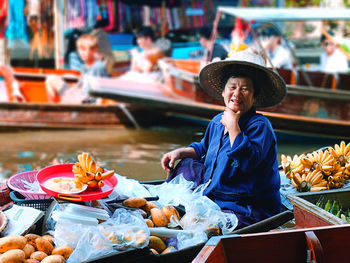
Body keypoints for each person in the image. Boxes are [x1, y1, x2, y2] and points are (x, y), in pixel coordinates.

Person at [161, 50, 286, 229]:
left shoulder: (260, 125)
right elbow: (202, 148)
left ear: (254, 97)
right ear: (223, 92)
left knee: (215, 225)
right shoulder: (217, 121)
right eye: (232, 87)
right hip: (216, 189)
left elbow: (248, 162)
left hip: (245, 204)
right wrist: (178, 152)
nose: (237, 93)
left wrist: (233, 125)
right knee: (186, 163)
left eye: (245, 89)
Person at [46, 34, 109, 104]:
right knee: (51, 79)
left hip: (85, 102)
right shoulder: (85, 67)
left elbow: (102, 92)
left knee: (68, 99)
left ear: (94, 50)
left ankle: (55, 110)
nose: (82, 53)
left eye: (84, 50)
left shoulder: (98, 67)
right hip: (78, 96)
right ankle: (52, 107)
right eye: (80, 50)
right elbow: (81, 85)